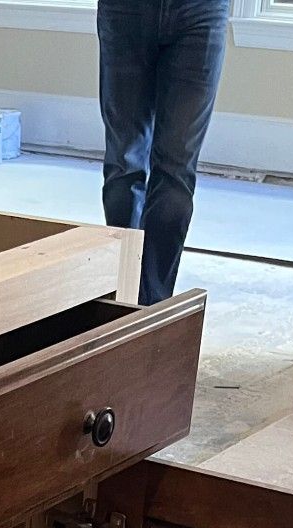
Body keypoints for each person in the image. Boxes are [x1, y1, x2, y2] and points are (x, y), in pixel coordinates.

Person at [96, 0, 231, 306]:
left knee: (174, 171)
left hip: (201, 11)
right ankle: (123, 294)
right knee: (124, 165)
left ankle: (150, 305)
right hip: (125, 10)